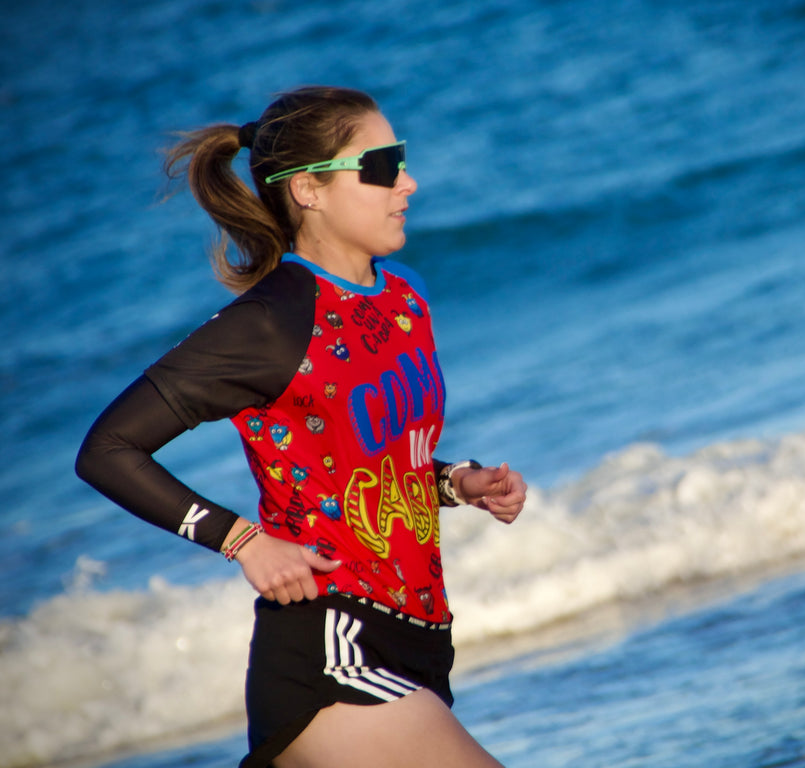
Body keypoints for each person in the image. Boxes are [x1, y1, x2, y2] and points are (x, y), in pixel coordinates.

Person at [75, 86, 527, 768]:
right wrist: (244, 542)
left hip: (423, 642)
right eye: (381, 166)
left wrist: (459, 483)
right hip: (330, 651)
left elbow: (363, 468)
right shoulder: (269, 323)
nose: (408, 181)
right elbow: (107, 449)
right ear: (309, 189)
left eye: (401, 160)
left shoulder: (405, 298)